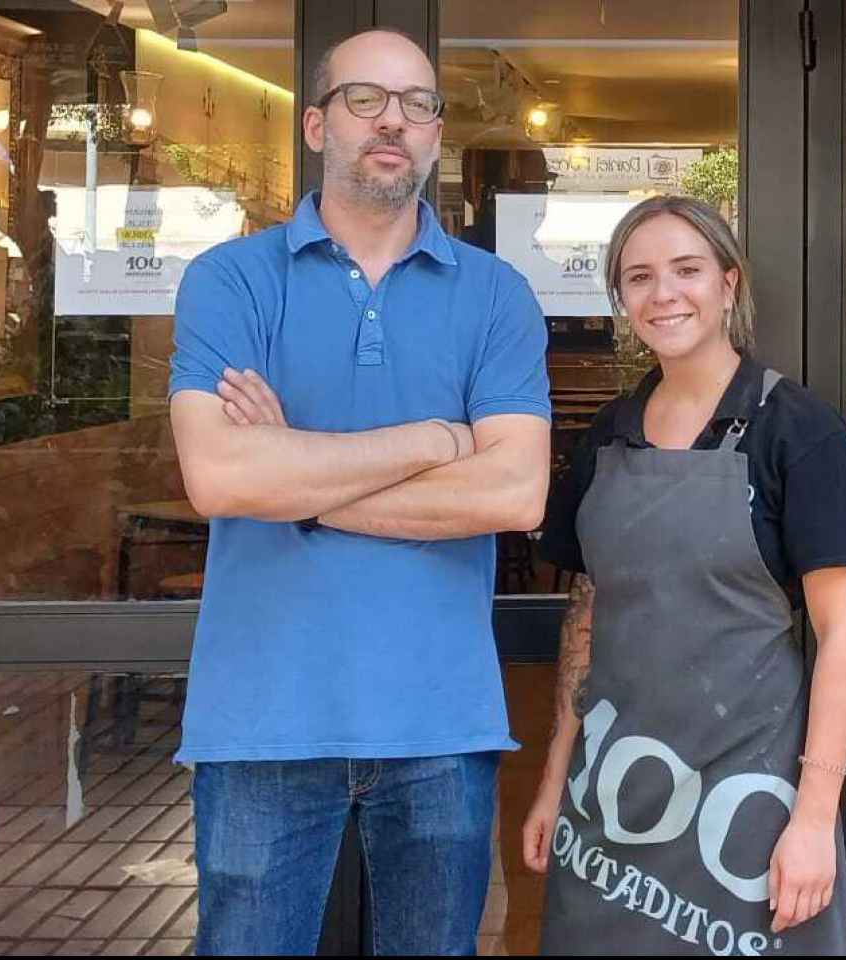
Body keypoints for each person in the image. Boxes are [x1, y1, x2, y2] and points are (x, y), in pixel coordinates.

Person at [167, 28, 552, 956]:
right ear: (315, 124)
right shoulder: (230, 280)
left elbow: (513, 494)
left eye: (419, 104)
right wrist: (429, 442)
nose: (395, 121)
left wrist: (292, 470)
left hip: (437, 717)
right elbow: (217, 474)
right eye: (366, 99)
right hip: (259, 717)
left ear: (436, 133)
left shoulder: (496, 295)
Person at [521, 196, 846, 955]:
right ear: (620, 300)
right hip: (613, 796)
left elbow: (843, 634)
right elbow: (588, 614)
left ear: (729, 283)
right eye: (639, 277)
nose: (664, 293)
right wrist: (554, 780)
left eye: (687, 270)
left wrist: (813, 819)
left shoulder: (799, 432)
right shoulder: (606, 437)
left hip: (746, 804)